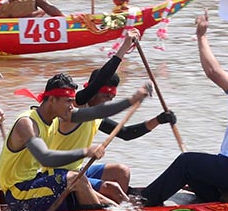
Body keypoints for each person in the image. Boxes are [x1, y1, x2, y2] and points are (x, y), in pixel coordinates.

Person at [0, 29, 149, 211]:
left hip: (35, 184)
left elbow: (102, 111)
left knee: (111, 196)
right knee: (77, 179)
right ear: (52, 100)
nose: (72, 107)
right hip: (18, 193)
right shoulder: (27, 123)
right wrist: (85, 151)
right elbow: (45, 157)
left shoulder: (60, 116)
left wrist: (131, 101)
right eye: (68, 102)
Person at [140, 12, 228, 207]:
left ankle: (143, 203)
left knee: (186, 162)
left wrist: (201, 36)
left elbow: (213, 72)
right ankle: (219, 201)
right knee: (194, 174)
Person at [50, 68, 175, 203]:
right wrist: (121, 53)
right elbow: (95, 84)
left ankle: (110, 208)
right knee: (113, 188)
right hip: (57, 174)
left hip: (78, 170)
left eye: (111, 98)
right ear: (93, 91)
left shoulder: (97, 116)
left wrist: (158, 120)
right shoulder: (75, 109)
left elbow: (125, 133)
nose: (107, 102)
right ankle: (121, 207)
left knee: (121, 171)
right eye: (105, 96)